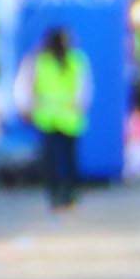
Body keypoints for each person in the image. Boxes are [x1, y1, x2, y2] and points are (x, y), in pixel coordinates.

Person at [24, 24, 89, 208]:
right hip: (49, 118)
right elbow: (28, 85)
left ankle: (69, 192)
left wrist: (80, 105)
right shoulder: (39, 61)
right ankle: (55, 193)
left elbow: (83, 87)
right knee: (52, 160)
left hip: (68, 118)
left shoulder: (76, 60)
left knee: (68, 159)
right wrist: (29, 106)